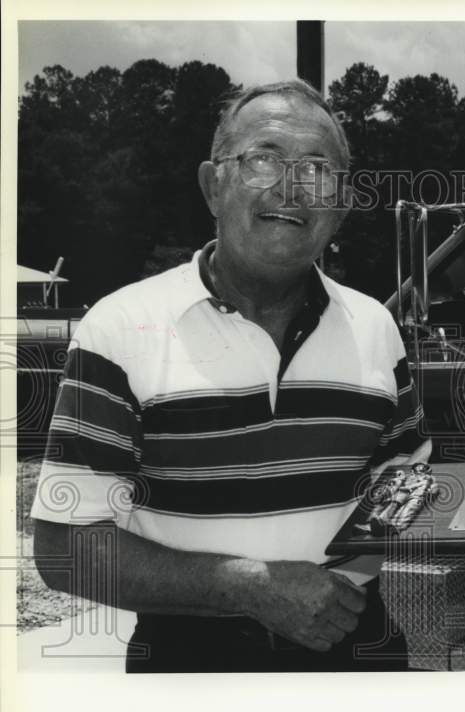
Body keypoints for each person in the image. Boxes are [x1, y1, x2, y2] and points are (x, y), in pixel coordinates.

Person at [31, 79, 430, 672]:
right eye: (263, 159)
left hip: (357, 647)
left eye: (318, 169)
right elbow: (65, 549)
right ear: (213, 185)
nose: (291, 187)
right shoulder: (120, 328)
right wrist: (248, 587)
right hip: (193, 665)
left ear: (342, 202)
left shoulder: (375, 326)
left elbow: (404, 482)